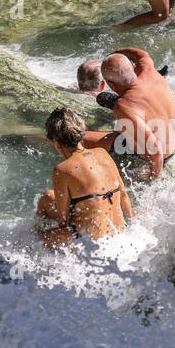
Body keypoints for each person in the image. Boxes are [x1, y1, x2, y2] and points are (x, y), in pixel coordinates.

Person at [81, 48, 175, 179]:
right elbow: (141, 54)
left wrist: (154, 175)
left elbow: (155, 149)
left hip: (166, 151)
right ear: (132, 67)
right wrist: (115, 54)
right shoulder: (147, 67)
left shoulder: (123, 107)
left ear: (111, 84)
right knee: (104, 98)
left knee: (109, 139)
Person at [36, 106, 132, 247]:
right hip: (119, 232)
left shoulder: (62, 169)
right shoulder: (102, 153)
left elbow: (64, 219)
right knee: (48, 196)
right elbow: (123, 195)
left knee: (34, 239)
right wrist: (131, 222)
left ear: (56, 142)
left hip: (89, 241)